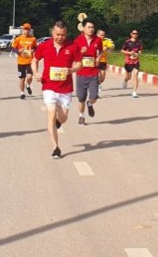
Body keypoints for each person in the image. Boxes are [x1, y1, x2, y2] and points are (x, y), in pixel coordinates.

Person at [32, 21, 79, 159]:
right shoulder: (44, 46)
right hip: (49, 86)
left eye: (63, 35)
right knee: (51, 115)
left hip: (65, 88)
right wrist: (36, 73)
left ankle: (59, 119)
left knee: (63, 118)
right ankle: (55, 148)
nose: (60, 37)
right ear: (52, 33)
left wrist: (71, 70)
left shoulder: (73, 46)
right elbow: (34, 60)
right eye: (57, 34)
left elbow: (79, 64)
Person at [73, 20, 103, 124]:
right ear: (83, 28)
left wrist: (98, 58)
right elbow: (73, 55)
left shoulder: (98, 40)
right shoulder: (78, 40)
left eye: (92, 27)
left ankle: (90, 103)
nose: (91, 29)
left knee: (94, 96)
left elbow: (101, 50)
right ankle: (81, 116)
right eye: (89, 27)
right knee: (81, 98)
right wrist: (81, 52)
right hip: (81, 73)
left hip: (93, 72)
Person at [12, 23, 37, 100]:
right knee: (22, 78)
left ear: (30, 30)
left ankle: (28, 85)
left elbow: (36, 47)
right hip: (21, 62)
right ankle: (22, 93)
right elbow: (13, 48)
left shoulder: (33, 39)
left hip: (30, 61)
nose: (26, 30)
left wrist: (33, 50)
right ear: (23, 29)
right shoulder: (18, 39)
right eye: (25, 29)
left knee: (29, 77)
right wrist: (18, 51)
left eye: (28, 29)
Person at [121, 29, 143, 98]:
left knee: (135, 75)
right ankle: (125, 80)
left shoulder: (139, 42)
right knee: (129, 77)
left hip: (136, 61)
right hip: (128, 61)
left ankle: (134, 92)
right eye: (133, 33)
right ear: (131, 34)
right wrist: (130, 53)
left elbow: (140, 50)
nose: (135, 34)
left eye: (136, 33)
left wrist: (138, 54)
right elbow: (122, 50)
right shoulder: (127, 42)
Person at [97, 29, 114, 97]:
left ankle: (98, 84)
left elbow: (112, 47)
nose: (102, 36)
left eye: (103, 35)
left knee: (102, 78)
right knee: (95, 77)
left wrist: (109, 47)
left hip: (103, 61)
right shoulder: (94, 41)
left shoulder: (106, 41)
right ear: (97, 35)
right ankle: (95, 91)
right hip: (95, 61)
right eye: (101, 35)